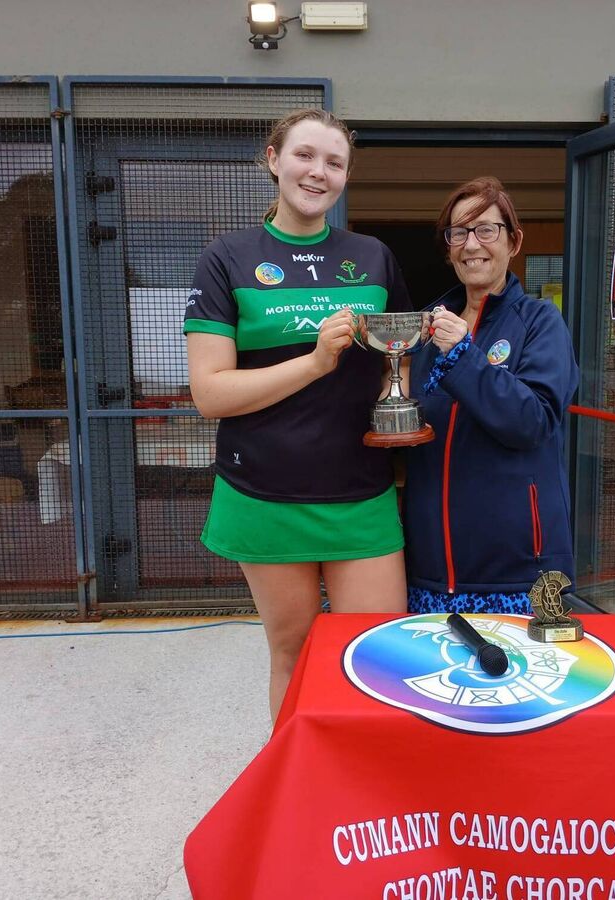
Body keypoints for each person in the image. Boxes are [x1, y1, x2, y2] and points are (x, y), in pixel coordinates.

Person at [184, 109, 410, 719]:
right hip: (264, 492)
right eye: (305, 155)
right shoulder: (227, 258)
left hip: (360, 492)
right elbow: (210, 394)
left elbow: (400, 360)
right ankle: (296, 790)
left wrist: (400, 410)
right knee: (294, 653)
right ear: (273, 159)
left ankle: (366, 797)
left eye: (334, 163)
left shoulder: (373, 256)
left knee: (378, 657)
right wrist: (314, 363)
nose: (318, 172)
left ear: (345, 177)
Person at [404, 177, 580, 615]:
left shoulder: (541, 322)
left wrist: (463, 354)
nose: (471, 244)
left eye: (486, 229)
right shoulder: (428, 328)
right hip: (431, 569)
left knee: (530, 682)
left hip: (522, 569)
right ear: (448, 248)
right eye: (458, 232)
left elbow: (532, 421)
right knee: (440, 681)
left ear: (513, 241)